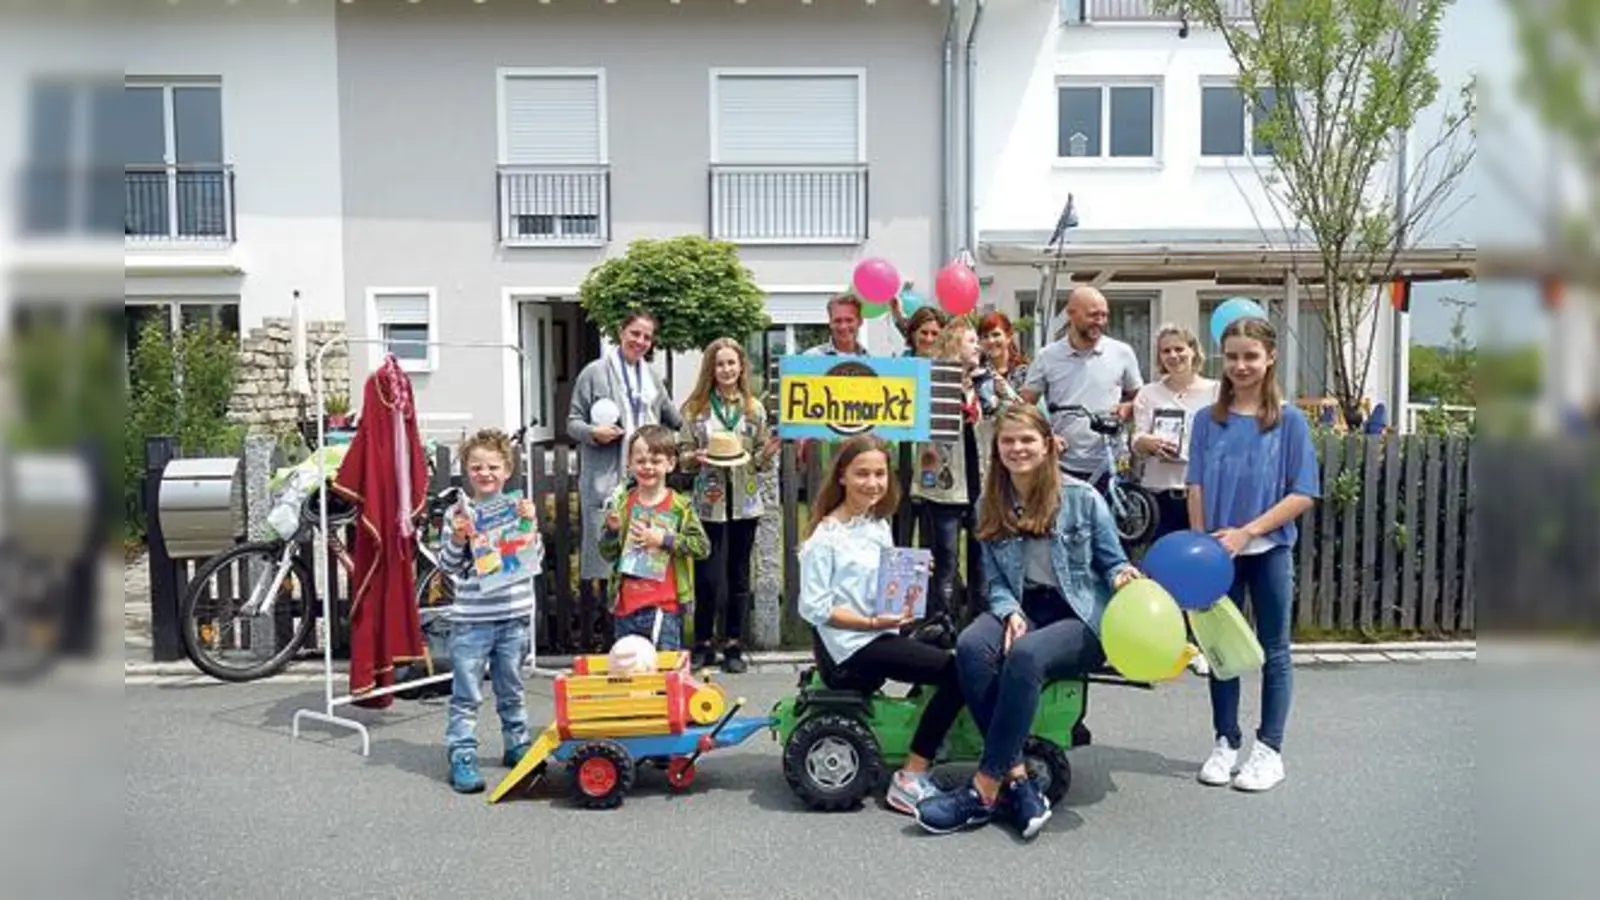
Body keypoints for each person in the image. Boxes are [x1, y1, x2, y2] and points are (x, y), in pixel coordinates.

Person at [915, 405, 1142, 839]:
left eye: (1026, 440)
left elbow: (1112, 563)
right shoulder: (990, 503)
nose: (1017, 449)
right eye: (1008, 441)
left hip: (1080, 614)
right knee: (970, 647)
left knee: (1024, 656)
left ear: (1046, 446)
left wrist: (1123, 576)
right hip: (1023, 608)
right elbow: (996, 581)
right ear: (997, 449)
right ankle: (1018, 782)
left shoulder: (1081, 499)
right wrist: (1011, 611)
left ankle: (982, 790)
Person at [797, 434, 967, 817]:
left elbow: (882, 581)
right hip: (850, 650)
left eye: (879, 474)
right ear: (842, 476)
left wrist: (915, 575)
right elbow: (814, 607)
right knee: (958, 673)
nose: (872, 483)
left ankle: (927, 732)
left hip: (877, 633)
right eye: (862, 474)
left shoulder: (875, 523)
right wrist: (874, 622)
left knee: (946, 639)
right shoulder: (825, 538)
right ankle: (911, 774)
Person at [1186, 317, 1319, 793]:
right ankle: (1225, 742)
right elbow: (1195, 485)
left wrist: (1247, 532)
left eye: (1251, 356)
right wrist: (1202, 547)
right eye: (1233, 356)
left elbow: (1302, 493)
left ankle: (1269, 750)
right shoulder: (1206, 420)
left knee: (1275, 650)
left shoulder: (1291, 422)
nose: (1241, 366)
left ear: (1270, 357)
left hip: (1267, 551)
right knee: (1221, 651)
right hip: (1218, 557)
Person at [437, 429, 543, 794]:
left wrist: (530, 526)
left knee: (511, 686)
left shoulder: (518, 508)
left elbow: (534, 559)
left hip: (513, 613)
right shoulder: (458, 514)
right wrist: (457, 539)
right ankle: (462, 751)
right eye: (477, 466)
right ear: (466, 470)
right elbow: (447, 565)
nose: (485, 473)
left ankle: (517, 743)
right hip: (471, 620)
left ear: (507, 469)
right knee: (466, 691)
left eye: (493, 466)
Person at [568, 312, 682, 618]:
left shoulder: (653, 377)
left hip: (647, 477)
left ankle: (643, 624)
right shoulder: (594, 373)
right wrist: (594, 432)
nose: (640, 341)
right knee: (609, 556)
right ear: (621, 332)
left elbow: (673, 416)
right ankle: (609, 632)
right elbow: (572, 423)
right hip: (609, 477)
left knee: (647, 554)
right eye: (635, 333)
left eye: (646, 337)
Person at [677, 338, 780, 673]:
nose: (726, 370)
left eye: (731, 363)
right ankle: (703, 642)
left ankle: (733, 642)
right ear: (711, 368)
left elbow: (763, 461)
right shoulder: (695, 409)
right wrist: (695, 456)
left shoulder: (754, 409)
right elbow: (682, 458)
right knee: (707, 577)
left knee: (738, 576)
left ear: (741, 367)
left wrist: (768, 452)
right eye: (720, 364)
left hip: (745, 502)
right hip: (710, 503)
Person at [599, 425, 710, 650]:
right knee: (630, 676)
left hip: (664, 609)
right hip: (626, 608)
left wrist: (664, 540)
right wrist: (611, 532)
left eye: (655, 461)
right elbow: (608, 553)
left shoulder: (680, 507)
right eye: (640, 461)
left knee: (662, 676)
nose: (647, 467)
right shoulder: (622, 504)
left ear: (670, 464)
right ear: (629, 464)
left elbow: (701, 547)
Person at [1019, 286, 1143, 486]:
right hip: (1064, 465)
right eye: (1093, 315)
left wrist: (1128, 407)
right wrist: (1045, 435)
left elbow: (1141, 397)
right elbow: (1025, 406)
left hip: (1111, 463)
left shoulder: (1122, 352)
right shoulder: (1048, 357)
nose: (1100, 322)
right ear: (1071, 313)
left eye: (1105, 315)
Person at [911, 320, 985, 629]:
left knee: (982, 560)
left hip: (979, 482)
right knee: (946, 560)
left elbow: (1019, 408)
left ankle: (980, 620)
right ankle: (942, 620)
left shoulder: (985, 384)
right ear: (954, 346)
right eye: (971, 340)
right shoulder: (933, 383)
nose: (978, 346)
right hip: (946, 484)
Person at [1131, 324, 1219, 543]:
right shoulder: (1148, 394)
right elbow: (1136, 441)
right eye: (1166, 351)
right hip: (1161, 496)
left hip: (1203, 495)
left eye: (1179, 349)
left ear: (1193, 350)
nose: (1173, 355)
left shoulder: (1216, 391)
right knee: (1162, 567)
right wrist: (1146, 442)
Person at [976, 310, 1030, 405]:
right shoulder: (978, 374)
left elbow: (1028, 409)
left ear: (1009, 336)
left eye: (996, 334)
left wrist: (1007, 392)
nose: (991, 341)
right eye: (985, 336)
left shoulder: (1024, 373)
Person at [802, 295, 866, 357]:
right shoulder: (811, 358)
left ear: (860, 321)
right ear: (830, 322)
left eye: (849, 320)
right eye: (838, 320)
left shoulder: (869, 360)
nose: (843, 326)